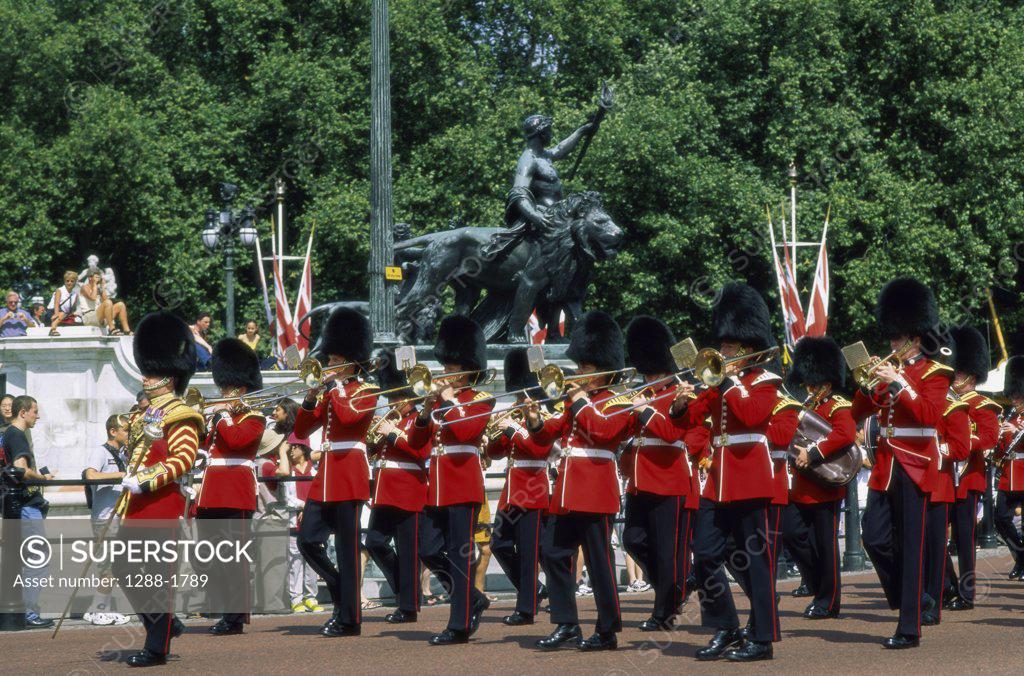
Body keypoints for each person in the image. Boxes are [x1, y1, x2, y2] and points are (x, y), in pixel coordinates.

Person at [669, 283, 781, 662]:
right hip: (718, 481)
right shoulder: (718, 386)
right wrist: (681, 403)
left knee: (754, 561)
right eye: (724, 346)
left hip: (750, 477)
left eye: (730, 348)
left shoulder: (767, 383)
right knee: (703, 554)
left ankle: (763, 637)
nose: (723, 352)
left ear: (748, 349)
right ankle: (727, 627)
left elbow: (752, 417)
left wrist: (729, 381)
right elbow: (693, 417)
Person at [852, 277, 951, 650]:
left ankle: (909, 627)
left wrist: (899, 383)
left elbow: (928, 415)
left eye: (899, 339)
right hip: (885, 467)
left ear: (915, 337)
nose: (893, 345)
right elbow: (858, 411)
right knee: (873, 537)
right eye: (892, 338)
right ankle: (914, 598)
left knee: (911, 546)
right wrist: (866, 385)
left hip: (914, 466)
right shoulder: (888, 373)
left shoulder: (936, 374)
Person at [526, 311, 628, 652]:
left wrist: (580, 401)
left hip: (596, 491)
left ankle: (607, 629)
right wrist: (536, 420)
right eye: (581, 367)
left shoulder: (620, 400)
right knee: (552, 553)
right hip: (567, 493)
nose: (580, 373)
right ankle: (567, 623)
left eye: (586, 368)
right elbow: (549, 435)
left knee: (599, 564)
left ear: (603, 370)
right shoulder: (575, 402)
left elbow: (603, 432)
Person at [114, 311, 203, 667]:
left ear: (167, 375)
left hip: (162, 502)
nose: (145, 376)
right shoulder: (147, 414)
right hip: (137, 505)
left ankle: (156, 646)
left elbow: (183, 459)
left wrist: (145, 479)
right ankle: (165, 624)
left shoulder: (180, 413)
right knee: (123, 566)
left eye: (150, 371)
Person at [408, 315, 495, 645]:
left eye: (452, 367)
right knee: (428, 550)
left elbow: (466, 431)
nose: (446, 373)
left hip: (462, 485)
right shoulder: (440, 402)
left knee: (459, 555)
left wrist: (446, 401)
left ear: (469, 370)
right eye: (446, 366)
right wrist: (422, 413)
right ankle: (472, 597)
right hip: (437, 488)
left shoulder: (480, 400)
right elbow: (418, 443)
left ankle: (458, 625)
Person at [293, 306, 377, 637]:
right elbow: (302, 427)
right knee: (307, 540)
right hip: (326, 475)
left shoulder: (367, 392)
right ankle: (345, 590)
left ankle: (349, 618)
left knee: (346, 548)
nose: (327, 366)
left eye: (333, 361)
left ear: (350, 362)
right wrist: (311, 396)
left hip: (349, 473)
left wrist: (336, 388)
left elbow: (348, 419)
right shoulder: (330, 392)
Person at [621, 316, 697, 631]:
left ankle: (664, 611)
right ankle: (676, 586)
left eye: (653, 370)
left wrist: (643, 410)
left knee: (668, 553)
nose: (648, 375)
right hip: (639, 483)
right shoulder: (644, 393)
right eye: (646, 370)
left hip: (668, 480)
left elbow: (671, 433)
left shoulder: (678, 394)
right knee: (633, 540)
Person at [194, 338, 266, 636]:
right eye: (222, 388)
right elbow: (202, 446)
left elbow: (237, 442)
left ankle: (234, 616)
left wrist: (222, 415)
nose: (222, 394)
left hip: (236, 493)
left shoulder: (256, 417)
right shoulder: (217, 419)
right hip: (212, 492)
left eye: (227, 389)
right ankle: (224, 607)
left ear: (242, 389)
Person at [782, 337, 856, 621]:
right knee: (791, 532)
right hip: (801, 485)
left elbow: (845, 435)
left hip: (825, 485)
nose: (808, 388)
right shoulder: (806, 405)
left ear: (826, 382)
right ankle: (816, 583)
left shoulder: (838, 405)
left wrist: (814, 452)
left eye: (813, 384)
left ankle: (829, 601)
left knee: (826, 546)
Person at [364, 349, 431, 625]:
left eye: (397, 397)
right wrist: (374, 441)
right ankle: (406, 589)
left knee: (407, 549)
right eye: (390, 397)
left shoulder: (420, 419)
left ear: (410, 397)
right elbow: (376, 452)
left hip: (408, 490)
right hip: (383, 490)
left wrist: (392, 433)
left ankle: (408, 606)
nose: (393, 402)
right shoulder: (391, 418)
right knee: (375, 543)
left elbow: (421, 450)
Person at [486, 348, 551, 626]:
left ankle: (526, 609)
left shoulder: (543, 416)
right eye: (517, 394)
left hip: (533, 489)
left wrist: (514, 429)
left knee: (529, 551)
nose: (519, 399)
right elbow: (497, 452)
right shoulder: (514, 413)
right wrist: (497, 433)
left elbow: (540, 449)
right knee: (499, 544)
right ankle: (534, 589)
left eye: (522, 393)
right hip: (511, 493)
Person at [944, 326, 1001, 609]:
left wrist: (962, 441)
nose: (953, 377)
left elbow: (990, 437)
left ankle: (966, 594)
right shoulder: (945, 403)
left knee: (965, 541)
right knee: (933, 535)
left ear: (971, 375)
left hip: (968, 477)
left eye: (958, 373)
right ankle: (946, 586)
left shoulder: (984, 404)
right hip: (943, 477)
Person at [4, 395, 54, 627]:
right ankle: (28, 612)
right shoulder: (17, 435)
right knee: (38, 560)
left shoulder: (7, 435)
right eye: (34, 411)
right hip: (26, 506)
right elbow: (21, 470)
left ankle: (21, 610)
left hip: (18, 506)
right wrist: (42, 477)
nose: (38, 415)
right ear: (22, 412)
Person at [82, 414, 131, 626]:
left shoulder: (124, 454)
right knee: (109, 565)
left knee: (113, 564)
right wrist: (119, 475)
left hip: (118, 516)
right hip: (105, 517)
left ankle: (99, 607)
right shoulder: (100, 452)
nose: (128, 434)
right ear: (113, 431)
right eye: (126, 430)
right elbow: (90, 475)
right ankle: (100, 609)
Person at [275, 434, 323, 613]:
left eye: (295, 447)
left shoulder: (315, 469)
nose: (292, 450)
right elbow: (287, 497)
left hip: (312, 518)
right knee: (295, 560)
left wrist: (309, 509)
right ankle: (296, 598)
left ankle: (311, 597)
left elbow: (319, 492)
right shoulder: (290, 470)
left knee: (312, 559)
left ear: (303, 449)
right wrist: (304, 507)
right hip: (294, 519)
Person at [993, 356, 1024, 579]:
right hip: (1008, 474)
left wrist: (1015, 433)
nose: (1013, 399)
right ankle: (1020, 558)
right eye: (1012, 395)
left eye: (1017, 395)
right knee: (1001, 519)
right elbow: (1003, 447)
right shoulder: (1010, 415)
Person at [78, 269, 131, 335]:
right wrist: (95, 285)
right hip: (89, 317)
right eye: (96, 277)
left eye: (99, 277)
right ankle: (112, 329)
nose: (98, 279)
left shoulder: (98, 288)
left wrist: (102, 287)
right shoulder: (84, 288)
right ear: (90, 278)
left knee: (121, 305)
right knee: (108, 303)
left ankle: (127, 330)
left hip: (100, 317)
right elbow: (93, 298)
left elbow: (106, 301)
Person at [48, 270, 80, 336]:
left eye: (72, 281)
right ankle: (53, 329)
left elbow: (73, 309)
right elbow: (56, 304)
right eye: (67, 281)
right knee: (62, 314)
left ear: (75, 282)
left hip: (65, 314)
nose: (69, 283)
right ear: (64, 281)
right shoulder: (59, 290)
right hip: (53, 311)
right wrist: (56, 314)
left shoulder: (75, 294)